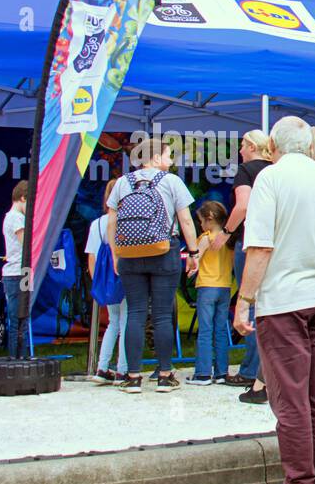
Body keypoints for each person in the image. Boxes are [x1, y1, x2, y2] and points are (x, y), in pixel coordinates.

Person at [235, 115, 315, 484]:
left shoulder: (270, 179)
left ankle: (299, 482)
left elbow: (261, 247)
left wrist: (244, 300)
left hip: (284, 300)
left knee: (290, 395)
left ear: (273, 147)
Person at [107, 137, 199, 394]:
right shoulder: (171, 182)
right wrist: (193, 252)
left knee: (135, 313)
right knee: (161, 315)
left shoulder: (122, 183)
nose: (171, 161)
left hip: (129, 254)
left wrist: (116, 253)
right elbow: (186, 220)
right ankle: (165, 375)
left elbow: (112, 222)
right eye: (169, 155)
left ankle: (133, 376)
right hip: (164, 250)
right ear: (156, 158)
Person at [216, 131, 271, 390]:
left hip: (250, 242)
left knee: (248, 304)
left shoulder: (246, 170)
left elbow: (243, 205)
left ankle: (250, 370)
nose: (240, 151)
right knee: (270, 305)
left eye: (241, 146)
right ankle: (268, 369)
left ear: (251, 146)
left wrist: (226, 232)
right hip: (275, 242)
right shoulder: (276, 168)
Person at [189, 200, 235, 385]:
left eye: (201, 221)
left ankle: (203, 373)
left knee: (205, 330)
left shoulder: (206, 238)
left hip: (207, 286)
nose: (200, 225)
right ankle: (222, 372)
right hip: (225, 287)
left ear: (209, 219)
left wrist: (191, 267)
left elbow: (196, 258)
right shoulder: (228, 240)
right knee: (221, 329)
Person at [85, 180, 127, 382]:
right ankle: (123, 369)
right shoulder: (128, 220)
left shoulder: (97, 224)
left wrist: (97, 284)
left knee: (113, 322)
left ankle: (102, 367)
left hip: (106, 279)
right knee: (127, 321)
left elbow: (91, 256)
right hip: (126, 275)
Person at [1, 180, 27, 356]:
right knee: (17, 321)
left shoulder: (15, 217)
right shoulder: (15, 217)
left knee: (23, 320)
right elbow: (25, 243)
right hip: (15, 274)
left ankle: (21, 357)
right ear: (23, 198)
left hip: (22, 272)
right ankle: (15, 359)